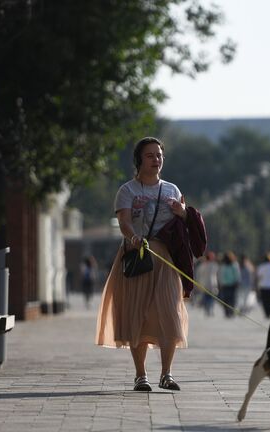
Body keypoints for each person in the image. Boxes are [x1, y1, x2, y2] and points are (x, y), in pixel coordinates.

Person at [95, 136, 191, 392]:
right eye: (150, 155)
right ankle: (141, 375)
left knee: (170, 314)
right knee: (137, 314)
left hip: (165, 260)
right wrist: (133, 237)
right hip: (136, 257)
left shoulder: (171, 189)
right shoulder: (127, 190)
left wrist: (183, 213)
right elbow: (124, 222)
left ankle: (167, 374)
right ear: (139, 160)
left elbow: (183, 224)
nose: (156, 160)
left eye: (159, 155)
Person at [195, 251, 219, 317]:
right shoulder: (214, 265)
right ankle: (209, 309)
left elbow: (198, 275)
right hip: (212, 283)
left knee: (206, 297)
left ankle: (207, 309)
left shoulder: (202, 266)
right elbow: (216, 274)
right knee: (211, 297)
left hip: (204, 284)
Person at [217, 251, 241, 318]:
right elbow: (220, 276)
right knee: (227, 299)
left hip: (232, 285)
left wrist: (237, 282)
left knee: (231, 299)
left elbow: (237, 274)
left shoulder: (234, 265)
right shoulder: (224, 266)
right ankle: (228, 312)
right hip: (226, 285)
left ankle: (230, 312)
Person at [256, 252, 270, 318]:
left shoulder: (261, 267)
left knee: (265, 301)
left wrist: (257, 285)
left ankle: (267, 313)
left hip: (263, 286)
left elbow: (259, 276)